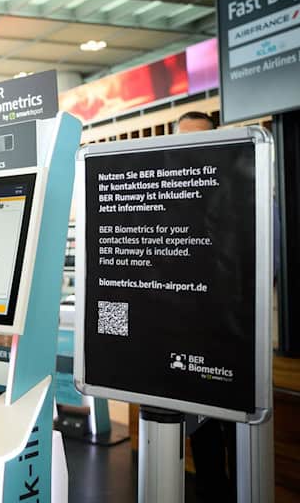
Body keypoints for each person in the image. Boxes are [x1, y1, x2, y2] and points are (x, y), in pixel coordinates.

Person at [175, 111, 236, 502]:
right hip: (189, 335)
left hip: (232, 335)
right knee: (202, 434)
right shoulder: (173, 196)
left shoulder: (239, 191)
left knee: (238, 432)